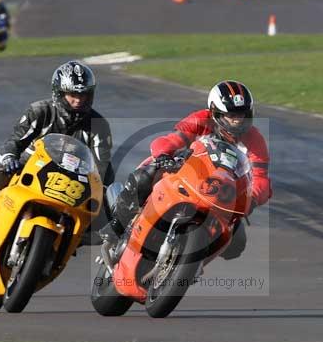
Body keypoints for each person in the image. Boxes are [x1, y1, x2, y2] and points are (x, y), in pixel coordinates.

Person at [100, 80, 272, 260]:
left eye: (242, 114)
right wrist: (164, 155)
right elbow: (173, 140)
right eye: (232, 115)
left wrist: (252, 200)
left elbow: (261, 178)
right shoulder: (200, 119)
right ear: (216, 112)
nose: (238, 120)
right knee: (143, 177)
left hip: (220, 191)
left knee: (236, 244)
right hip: (183, 170)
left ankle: (193, 263)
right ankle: (117, 226)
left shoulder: (255, 139)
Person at [0, 60, 113, 260]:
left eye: (83, 94)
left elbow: (102, 164)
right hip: (30, 168)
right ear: (59, 93)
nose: (78, 100)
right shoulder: (40, 111)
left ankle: (71, 239)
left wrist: (101, 188)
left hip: (72, 183)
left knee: (107, 214)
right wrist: (10, 159)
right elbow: (14, 142)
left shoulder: (99, 125)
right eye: (72, 94)